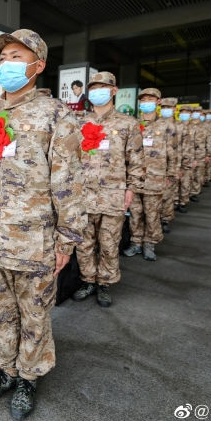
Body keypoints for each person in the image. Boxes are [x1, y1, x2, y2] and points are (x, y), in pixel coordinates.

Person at [0, 30, 86, 420]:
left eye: (16, 56)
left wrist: (66, 242)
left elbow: (67, 183)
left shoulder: (56, 116)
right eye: (3, 58)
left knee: (34, 314)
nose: (7, 64)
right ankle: (6, 370)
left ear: (38, 65)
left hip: (32, 240)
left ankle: (29, 377)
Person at [72, 72, 143, 306]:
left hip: (114, 195)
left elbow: (135, 159)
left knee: (109, 243)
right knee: (84, 242)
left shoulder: (128, 124)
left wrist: (132, 188)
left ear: (114, 90)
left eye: (103, 87)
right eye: (93, 88)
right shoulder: (79, 122)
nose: (97, 92)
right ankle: (88, 279)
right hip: (84, 195)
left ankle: (104, 283)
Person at [122, 89, 177, 261]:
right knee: (135, 212)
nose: (146, 102)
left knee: (152, 214)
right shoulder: (132, 124)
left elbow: (173, 153)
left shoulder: (167, 126)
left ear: (158, 102)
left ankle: (149, 244)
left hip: (156, 177)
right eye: (144, 100)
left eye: (150, 99)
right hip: (135, 178)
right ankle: (136, 242)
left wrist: (171, 175)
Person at [158, 98, 179, 233]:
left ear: (174, 109)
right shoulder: (152, 124)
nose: (166, 109)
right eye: (163, 106)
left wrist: (176, 168)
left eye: (169, 107)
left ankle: (165, 219)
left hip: (170, 165)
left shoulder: (177, 126)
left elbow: (178, 149)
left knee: (167, 195)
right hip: (153, 166)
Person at [176, 106, 197, 214]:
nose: (184, 114)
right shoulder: (175, 126)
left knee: (185, 182)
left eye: (187, 112)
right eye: (182, 112)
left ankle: (182, 203)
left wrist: (196, 159)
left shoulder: (195, 128)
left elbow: (198, 145)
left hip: (189, 159)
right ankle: (174, 202)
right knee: (174, 183)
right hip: (176, 159)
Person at [189, 107, 207, 203]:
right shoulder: (187, 125)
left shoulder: (204, 127)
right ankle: (185, 194)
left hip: (200, 154)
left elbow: (208, 141)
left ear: (200, 113)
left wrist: (208, 154)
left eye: (197, 111)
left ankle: (194, 193)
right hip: (188, 154)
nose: (195, 113)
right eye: (193, 111)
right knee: (187, 176)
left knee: (197, 175)